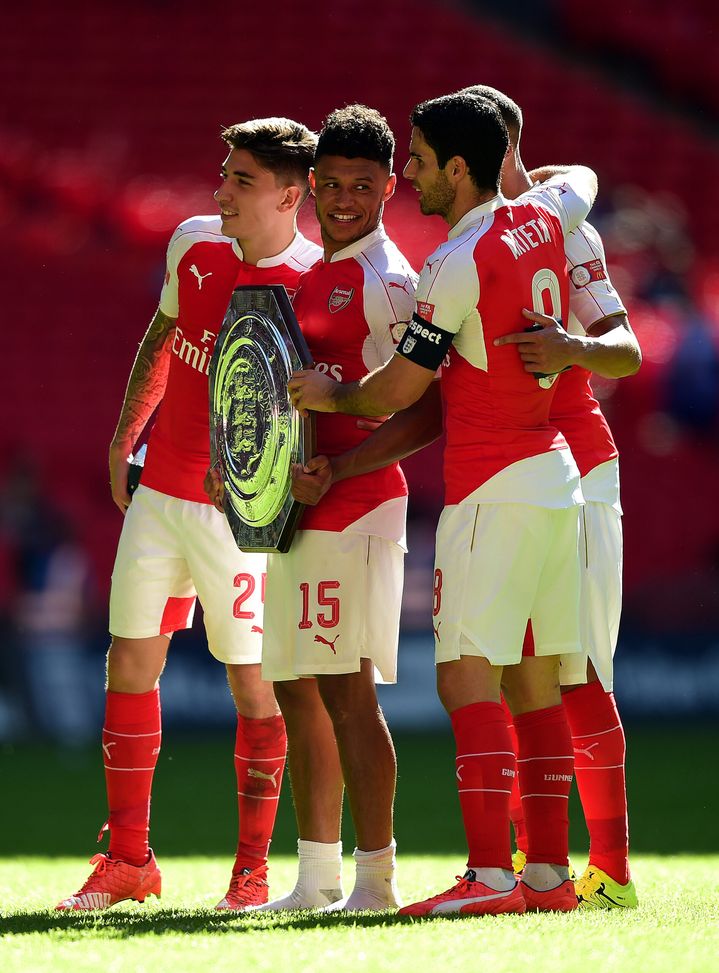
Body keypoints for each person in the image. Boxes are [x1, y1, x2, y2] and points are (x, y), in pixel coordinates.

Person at [288, 91, 598, 916]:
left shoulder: (453, 264)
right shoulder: (539, 217)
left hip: (491, 485)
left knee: (467, 680)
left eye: (419, 160)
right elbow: (585, 182)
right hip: (552, 474)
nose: (411, 175)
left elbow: (400, 386)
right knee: (533, 681)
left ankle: (491, 875)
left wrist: (332, 394)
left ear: (458, 168)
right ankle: (548, 875)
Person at [56, 118, 321, 912]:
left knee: (253, 688)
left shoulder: (313, 279)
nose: (220, 190)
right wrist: (124, 432)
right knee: (128, 663)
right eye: (223, 173)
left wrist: (262, 491)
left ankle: (250, 874)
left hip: (238, 520)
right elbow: (164, 334)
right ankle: (129, 860)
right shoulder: (193, 244)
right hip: (160, 496)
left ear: (286, 193)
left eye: (239, 179)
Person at [259, 105, 440, 912]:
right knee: (297, 686)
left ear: (387, 186)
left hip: (357, 499)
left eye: (359, 186)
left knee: (345, 686)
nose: (340, 198)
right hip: (297, 504)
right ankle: (316, 876)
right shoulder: (305, 275)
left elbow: (427, 408)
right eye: (328, 184)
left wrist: (341, 464)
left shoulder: (391, 282)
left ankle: (375, 880)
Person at [465, 84, 641, 909]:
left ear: (498, 148)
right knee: (514, 669)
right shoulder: (484, 239)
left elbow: (625, 351)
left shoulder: (566, 230)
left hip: (578, 464)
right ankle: (531, 866)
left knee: (576, 670)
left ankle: (610, 870)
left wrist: (569, 347)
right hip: (522, 466)